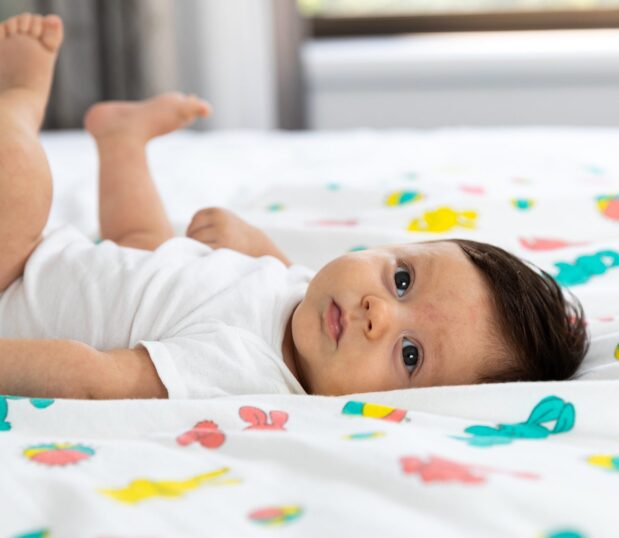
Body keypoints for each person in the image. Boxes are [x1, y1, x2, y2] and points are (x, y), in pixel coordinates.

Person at [0, 13, 588, 400]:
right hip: (97, 268)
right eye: (402, 279)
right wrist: (253, 243)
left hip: (14, 279)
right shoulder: (319, 310)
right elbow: (287, 276)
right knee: (143, 242)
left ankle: (20, 100)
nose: (376, 312)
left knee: (26, 185)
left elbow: (97, 377)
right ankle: (122, 139)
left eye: (409, 355)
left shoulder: (244, 371)